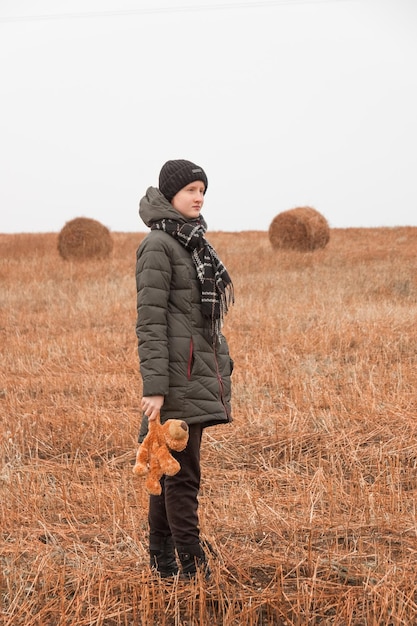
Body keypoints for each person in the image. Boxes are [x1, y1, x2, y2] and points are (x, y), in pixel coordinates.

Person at [135, 159, 234, 579]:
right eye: (192, 190)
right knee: (184, 476)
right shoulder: (159, 245)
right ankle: (193, 568)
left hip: (190, 373)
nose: (199, 198)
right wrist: (155, 387)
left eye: (203, 191)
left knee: (165, 468)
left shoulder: (190, 243)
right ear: (170, 195)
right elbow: (151, 321)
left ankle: (162, 560)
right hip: (176, 380)